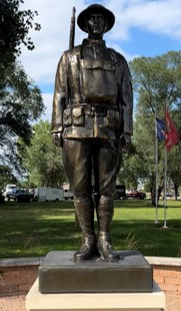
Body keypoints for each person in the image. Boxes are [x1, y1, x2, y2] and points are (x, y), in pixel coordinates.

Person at [51, 4, 133, 262]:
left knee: (107, 189)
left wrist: (127, 130)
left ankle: (105, 237)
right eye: (92, 19)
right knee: (80, 188)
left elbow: (127, 98)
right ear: (85, 24)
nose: (97, 23)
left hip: (108, 128)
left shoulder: (117, 60)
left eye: (101, 19)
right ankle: (88, 238)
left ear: (106, 25)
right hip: (76, 128)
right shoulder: (69, 57)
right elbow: (59, 95)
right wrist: (57, 126)